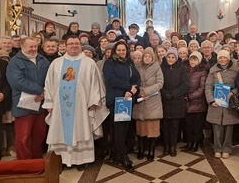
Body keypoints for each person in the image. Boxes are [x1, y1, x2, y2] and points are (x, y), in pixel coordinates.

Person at [43, 35, 109, 170]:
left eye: (77, 44)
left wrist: (94, 101)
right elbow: (49, 84)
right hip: (60, 106)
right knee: (60, 131)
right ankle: (61, 160)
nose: (74, 46)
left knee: (81, 129)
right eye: (71, 44)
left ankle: (81, 160)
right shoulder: (56, 63)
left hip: (82, 106)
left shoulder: (89, 63)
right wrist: (49, 103)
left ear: (81, 45)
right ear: (65, 46)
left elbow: (96, 84)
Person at [6, 37, 50, 159]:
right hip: (23, 105)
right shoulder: (15, 62)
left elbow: (51, 78)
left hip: (40, 105)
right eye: (30, 47)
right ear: (22, 47)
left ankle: (37, 161)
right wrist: (40, 90)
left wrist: (46, 92)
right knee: (23, 137)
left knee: (39, 135)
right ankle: (24, 164)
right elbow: (17, 81)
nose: (33, 49)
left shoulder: (43, 60)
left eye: (35, 46)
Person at [103, 41, 140, 173]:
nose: (121, 52)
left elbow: (136, 78)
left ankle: (117, 153)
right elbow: (111, 80)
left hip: (127, 99)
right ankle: (122, 156)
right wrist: (128, 87)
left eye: (123, 50)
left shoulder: (129, 63)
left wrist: (131, 90)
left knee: (125, 128)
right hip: (116, 100)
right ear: (114, 51)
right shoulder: (109, 63)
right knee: (118, 129)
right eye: (118, 50)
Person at [205, 50, 239, 158]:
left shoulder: (235, 71)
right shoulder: (213, 71)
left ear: (228, 58)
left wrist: (233, 92)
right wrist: (211, 100)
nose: (222, 60)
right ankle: (217, 148)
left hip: (229, 102)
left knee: (229, 127)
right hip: (216, 102)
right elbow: (208, 86)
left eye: (225, 58)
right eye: (220, 58)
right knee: (217, 128)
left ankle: (227, 148)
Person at [133, 47, 164, 161]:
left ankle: (151, 150)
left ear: (153, 58)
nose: (147, 58)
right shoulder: (137, 67)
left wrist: (146, 91)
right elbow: (134, 81)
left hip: (153, 100)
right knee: (140, 127)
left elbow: (160, 83)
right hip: (140, 100)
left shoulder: (157, 67)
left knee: (152, 128)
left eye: (149, 56)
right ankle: (141, 149)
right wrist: (140, 92)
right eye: (145, 56)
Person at [160, 47, 189, 157]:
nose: (171, 59)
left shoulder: (181, 68)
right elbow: (158, 82)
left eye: (173, 57)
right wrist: (164, 93)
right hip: (164, 100)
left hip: (177, 101)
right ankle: (166, 146)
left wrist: (174, 94)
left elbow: (185, 84)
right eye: (169, 57)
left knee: (174, 127)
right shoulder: (161, 67)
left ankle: (172, 146)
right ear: (166, 57)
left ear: (176, 58)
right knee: (165, 126)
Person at [184, 51, 207, 152]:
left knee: (197, 126)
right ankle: (189, 142)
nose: (192, 61)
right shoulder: (185, 70)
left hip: (198, 104)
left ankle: (195, 143)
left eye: (195, 59)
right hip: (187, 103)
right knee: (188, 125)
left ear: (199, 60)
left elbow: (202, 89)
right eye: (191, 59)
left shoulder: (202, 72)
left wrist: (190, 97)